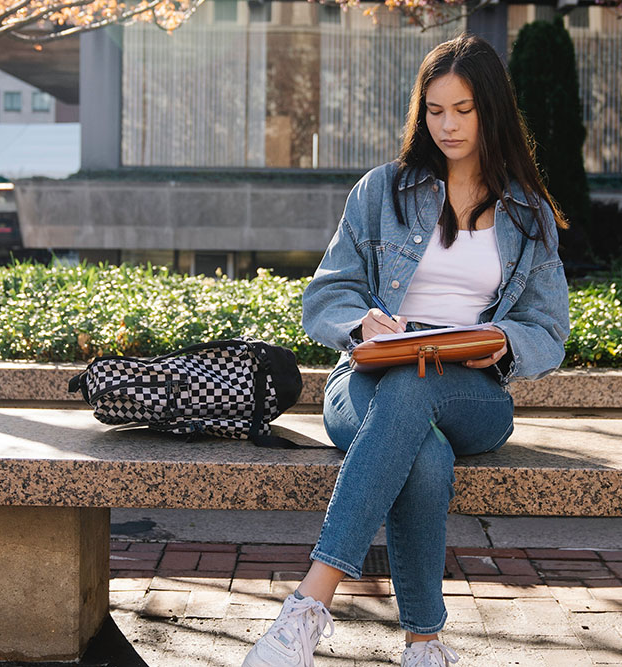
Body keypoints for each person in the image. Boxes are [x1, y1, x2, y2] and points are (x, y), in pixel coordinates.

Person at [242, 33, 570, 667]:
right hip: (368, 378)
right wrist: (362, 323)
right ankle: (424, 644)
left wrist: (504, 341)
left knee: (419, 386)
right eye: (435, 109)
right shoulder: (382, 192)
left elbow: (549, 330)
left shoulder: (527, 213)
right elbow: (326, 295)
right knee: (419, 446)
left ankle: (308, 607)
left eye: (463, 110)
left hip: (471, 391)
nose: (447, 125)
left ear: (491, 110)